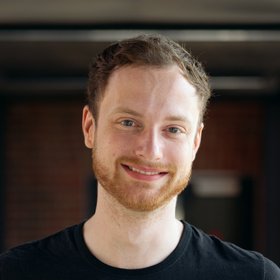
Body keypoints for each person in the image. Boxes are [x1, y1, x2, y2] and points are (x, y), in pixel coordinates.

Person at [0, 34, 279, 279]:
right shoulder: (15, 273)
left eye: (173, 129)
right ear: (90, 128)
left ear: (195, 142)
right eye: (128, 123)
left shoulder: (255, 276)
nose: (150, 150)